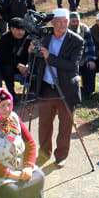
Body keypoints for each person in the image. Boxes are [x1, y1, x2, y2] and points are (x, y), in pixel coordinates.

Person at [29, 10, 83, 167]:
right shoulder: (45, 37)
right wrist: (32, 52)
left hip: (66, 87)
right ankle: (44, 153)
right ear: (52, 23)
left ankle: (61, 156)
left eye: (65, 21)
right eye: (59, 21)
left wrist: (50, 57)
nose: (62, 24)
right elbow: (37, 60)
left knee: (65, 125)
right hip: (47, 87)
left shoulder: (76, 41)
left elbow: (72, 65)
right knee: (44, 124)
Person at [0, 17, 31, 99]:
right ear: (12, 29)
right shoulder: (5, 38)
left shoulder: (28, 37)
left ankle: (32, 93)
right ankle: (11, 94)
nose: (21, 32)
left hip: (25, 63)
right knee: (7, 69)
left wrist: (28, 64)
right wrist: (18, 65)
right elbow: (5, 57)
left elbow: (31, 54)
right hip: (11, 63)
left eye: (23, 30)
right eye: (18, 30)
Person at [68, 13, 97, 100]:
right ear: (69, 22)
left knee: (90, 67)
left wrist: (90, 60)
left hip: (83, 58)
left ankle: (88, 92)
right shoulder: (65, 30)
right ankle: (71, 93)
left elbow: (90, 45)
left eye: (77, 21)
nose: (76, 23)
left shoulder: (85, 29)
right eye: (73, 21)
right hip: (69, 59)